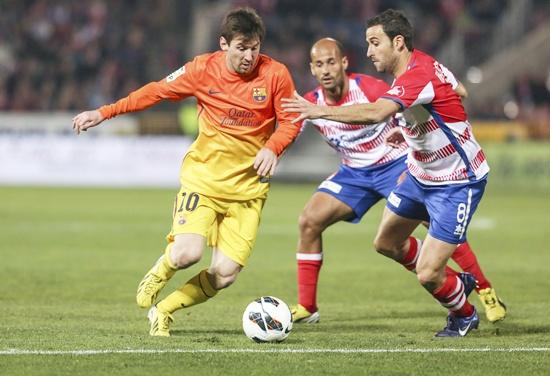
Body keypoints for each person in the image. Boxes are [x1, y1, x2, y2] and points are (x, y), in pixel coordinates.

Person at [72, 7, 301, 337]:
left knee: (224, 275)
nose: (250, 56)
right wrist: (105, 112)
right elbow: (155, 91)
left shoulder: (276, 74)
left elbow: (292, 120)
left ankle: (164, 310)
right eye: (242, 48)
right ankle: (161, 269)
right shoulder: (201, 69)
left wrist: (272, 147)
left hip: (247, 192)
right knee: (187, 254)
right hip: (203, 180)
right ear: (224, 44)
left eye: (255, 48)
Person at [283, 9, 502, 337]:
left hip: (457, 181)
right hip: (418, 173)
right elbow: (460, 92)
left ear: (398, 43)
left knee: (428, 274)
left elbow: (375, 113)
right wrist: (415, 127)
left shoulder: (416, 75)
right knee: (386, 242)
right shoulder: (421, 67)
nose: (369, 52)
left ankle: (466, 309)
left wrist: (318, 110)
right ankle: (460, 283)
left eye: (375, 43)